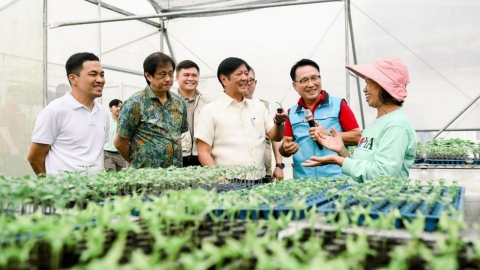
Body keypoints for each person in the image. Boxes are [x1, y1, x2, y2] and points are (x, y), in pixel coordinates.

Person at [302, 57, 416, 183]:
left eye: (368, 82)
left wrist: (339, 161)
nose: (364, 89)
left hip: (381, 199)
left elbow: (383, 174)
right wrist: (342, 151)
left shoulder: (396, 125)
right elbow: (363, 166)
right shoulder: (379, 122)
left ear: (384, 86)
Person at [195, 57, 288, 182]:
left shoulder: (258, 106)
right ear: (224, 79)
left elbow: (275, 136)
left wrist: (279, 122)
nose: (245, 78)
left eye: (246, 73)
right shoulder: (209, 110)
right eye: (239, 74)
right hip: (229, 181)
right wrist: (221, 181)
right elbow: (203, 152)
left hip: (259, 180)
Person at [28, 52, 109, 175]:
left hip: (97, 190)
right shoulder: (55, 111)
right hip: (65, 192)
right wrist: (52, 186)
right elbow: (35, 158)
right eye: (93, 74)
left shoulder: (103, 112)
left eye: (101, 75)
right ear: (73, 78)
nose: (100, 80)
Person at [280, 59, 361, 179]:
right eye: (304, 80)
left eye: (314, 78)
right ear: (295, 86)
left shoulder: (339, 105)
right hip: (304, 182)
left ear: (320, 79)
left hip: (337, 179)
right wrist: (285, 149)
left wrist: (328, 134)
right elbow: (285, 148)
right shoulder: (291, 113)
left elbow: (357, 137)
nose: (311, 84)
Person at [114, 52, 188, 169]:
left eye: (170, 74)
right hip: (146, 177)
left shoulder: (179, 103)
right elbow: (120, 142)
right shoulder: (135, 103)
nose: (168, 79)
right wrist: (137, 162)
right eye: (162, 74)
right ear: (148, 76)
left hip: (175, 175)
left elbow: (180, 133)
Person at [244, 67, 284, 181]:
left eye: (250, 80)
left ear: (255, 82)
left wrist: (279, 165)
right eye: (243, 80)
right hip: (238, 173)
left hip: (264, 171)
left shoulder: (264, 106)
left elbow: (275, 138)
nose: (246, 83)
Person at [171, 60, 212, 167]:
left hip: (203, 157)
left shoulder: (208, 102)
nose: (190, 79)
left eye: (194, 75)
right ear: (177, 77)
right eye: (186, 75)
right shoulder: (168, 101)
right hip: (176, 157)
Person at [0, 87, 29, 176]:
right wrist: (12, 147)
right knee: (12, 176)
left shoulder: (18, 111)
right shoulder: (5, 110)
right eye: (14, 95)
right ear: (7, 96)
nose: (17, 98)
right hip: (10, 151)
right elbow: (3, 128)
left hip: (19, 150)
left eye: (18, 95)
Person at [103, 99, 127, 172]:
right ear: (110, 109)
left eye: (120, 106)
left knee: (122, 179)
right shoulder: (106, 121)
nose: (119, 108)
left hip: (121, 155)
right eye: (116, 106)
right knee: (111, 179)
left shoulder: (125, 122)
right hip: (108, 155)